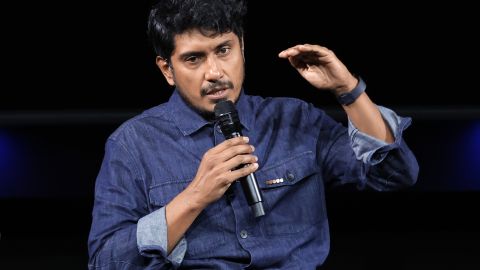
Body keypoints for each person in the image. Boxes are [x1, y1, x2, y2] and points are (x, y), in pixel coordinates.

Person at [87, 0, 419, 269]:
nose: (215, 72)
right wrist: (195, 196)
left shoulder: (295, 119)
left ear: (242, 46)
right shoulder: (132, 145)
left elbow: (394, 174)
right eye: (193, 59)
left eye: (223, 50)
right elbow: (107, 261)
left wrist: (348, 90)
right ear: (167, 70)